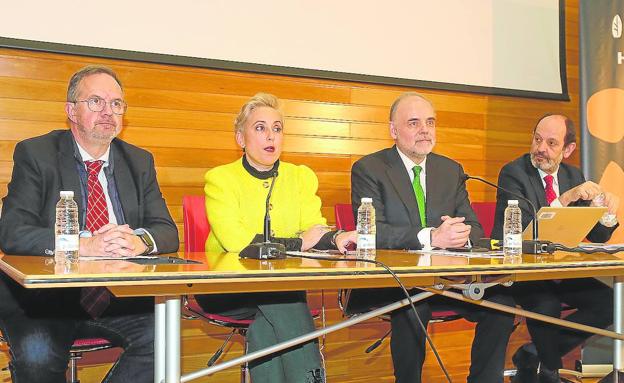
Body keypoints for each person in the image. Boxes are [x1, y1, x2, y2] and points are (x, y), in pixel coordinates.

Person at [0, 65, 179, 383]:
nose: (108, 111)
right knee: (38, 357)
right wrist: (83, 245)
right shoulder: (36, 153)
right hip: (44, 300)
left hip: (114, 296)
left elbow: (166, 230)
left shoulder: (138, 161)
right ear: (71, 110)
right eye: (96, 101)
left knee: (164, 340)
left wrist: (140, 241)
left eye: (116, 104)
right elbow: (13, 231)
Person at [350, 92, 515, 383]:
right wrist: (431, 236)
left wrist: (460, 235)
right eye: (414, 123)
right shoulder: (369, 169)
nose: (425, 130)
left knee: (501, 302)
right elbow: (371, 232)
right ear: (393, 130)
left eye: (430, 122)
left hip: (449, 280)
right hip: (394, 282)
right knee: (413, 307)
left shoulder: (450, 170)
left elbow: (476, 230)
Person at [195, 93, 356, 383]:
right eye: (260, 128)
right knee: (284, 300)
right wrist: (298, 243)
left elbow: (313, 228)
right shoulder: (221, 179)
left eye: (277, 128)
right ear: (240, 138)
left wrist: (336, 238)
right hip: (226, 286)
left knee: (270, 318)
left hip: (280, 285)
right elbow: (238, 243)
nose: (271, 136)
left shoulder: (299, 177)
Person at [491, 114, 619, 383]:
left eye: (551, 143)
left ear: (568, 149)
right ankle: (550, 372)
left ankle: (534, 353)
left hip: (560, 270)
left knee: (607, 304)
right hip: (520, 270)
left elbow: (597, 236)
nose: (541, 149)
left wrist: (607, 213)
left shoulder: (573, 174)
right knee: (546, 305)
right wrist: (566, 198)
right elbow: (525, 233)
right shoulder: (513, 173)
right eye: (537, 139)